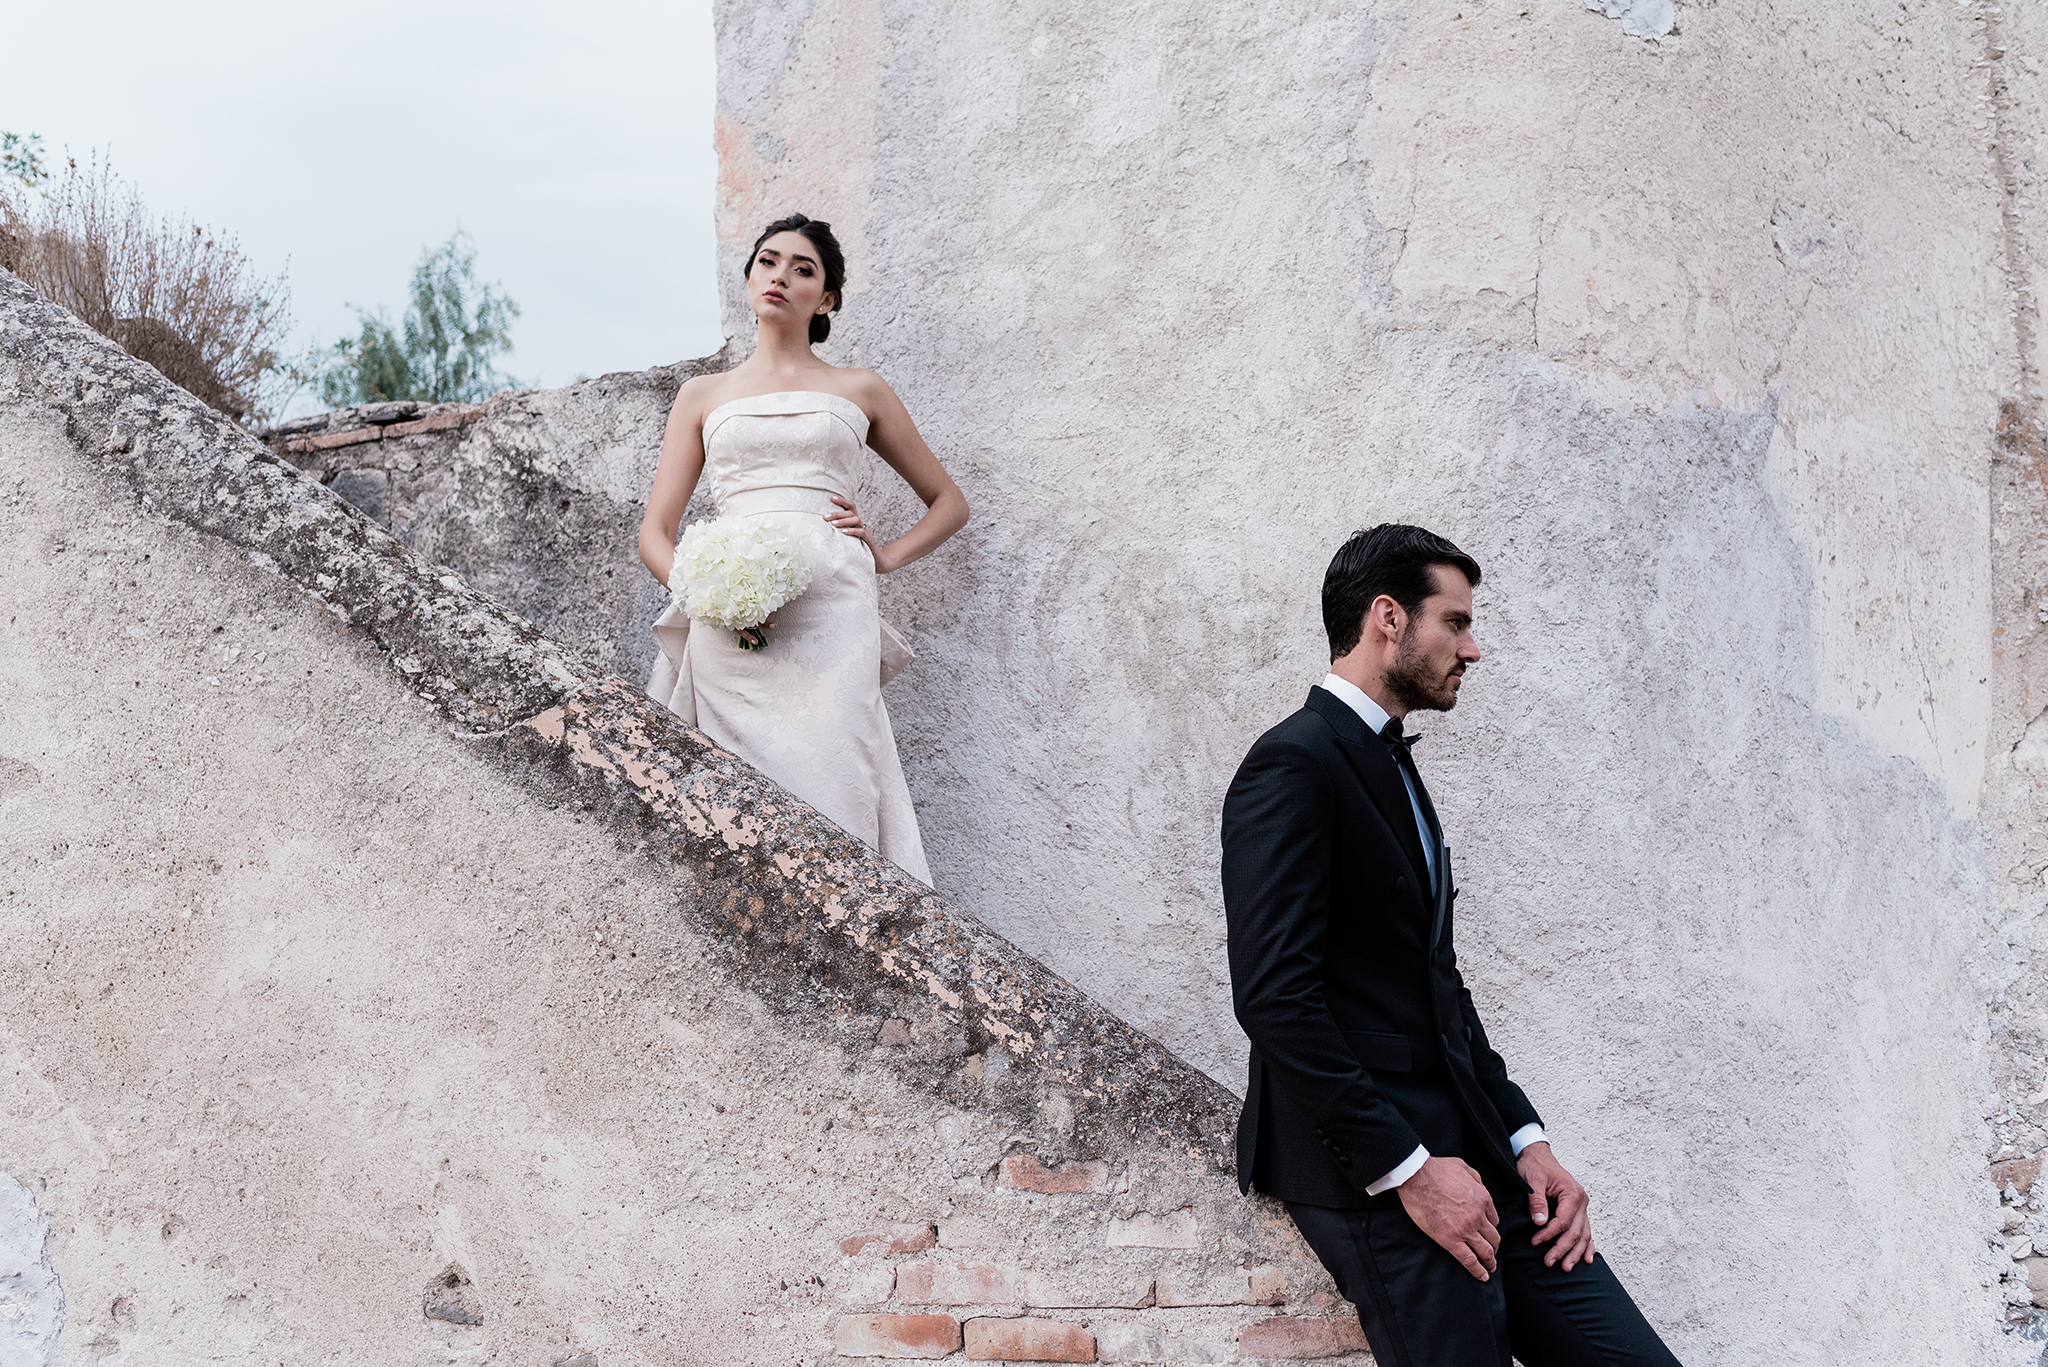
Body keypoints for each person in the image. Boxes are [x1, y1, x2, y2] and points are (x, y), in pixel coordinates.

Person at [1221, 524, 1681, 1366]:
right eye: (1456, 623)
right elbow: (1273, 994)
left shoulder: (1390, 762)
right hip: (1377, 1175)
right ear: (1388, 618)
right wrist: (1410, 1172)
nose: (1473, 648)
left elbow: (1438, 987)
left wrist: (1524, 1139)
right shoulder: (1293, 764)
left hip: (1474, 1152)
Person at [638, 213, 967, 886]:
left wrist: (887, 553)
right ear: (750, 276)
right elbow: (654, 534)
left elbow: (950, 502)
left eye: (803, 268)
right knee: (731, 802)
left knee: (836, 774)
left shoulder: (860, 388)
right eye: (767, 261)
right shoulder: (702, 395)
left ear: (828, 299)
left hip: (833, 611)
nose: (780, 276)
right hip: (732, 625)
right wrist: (709, 599)